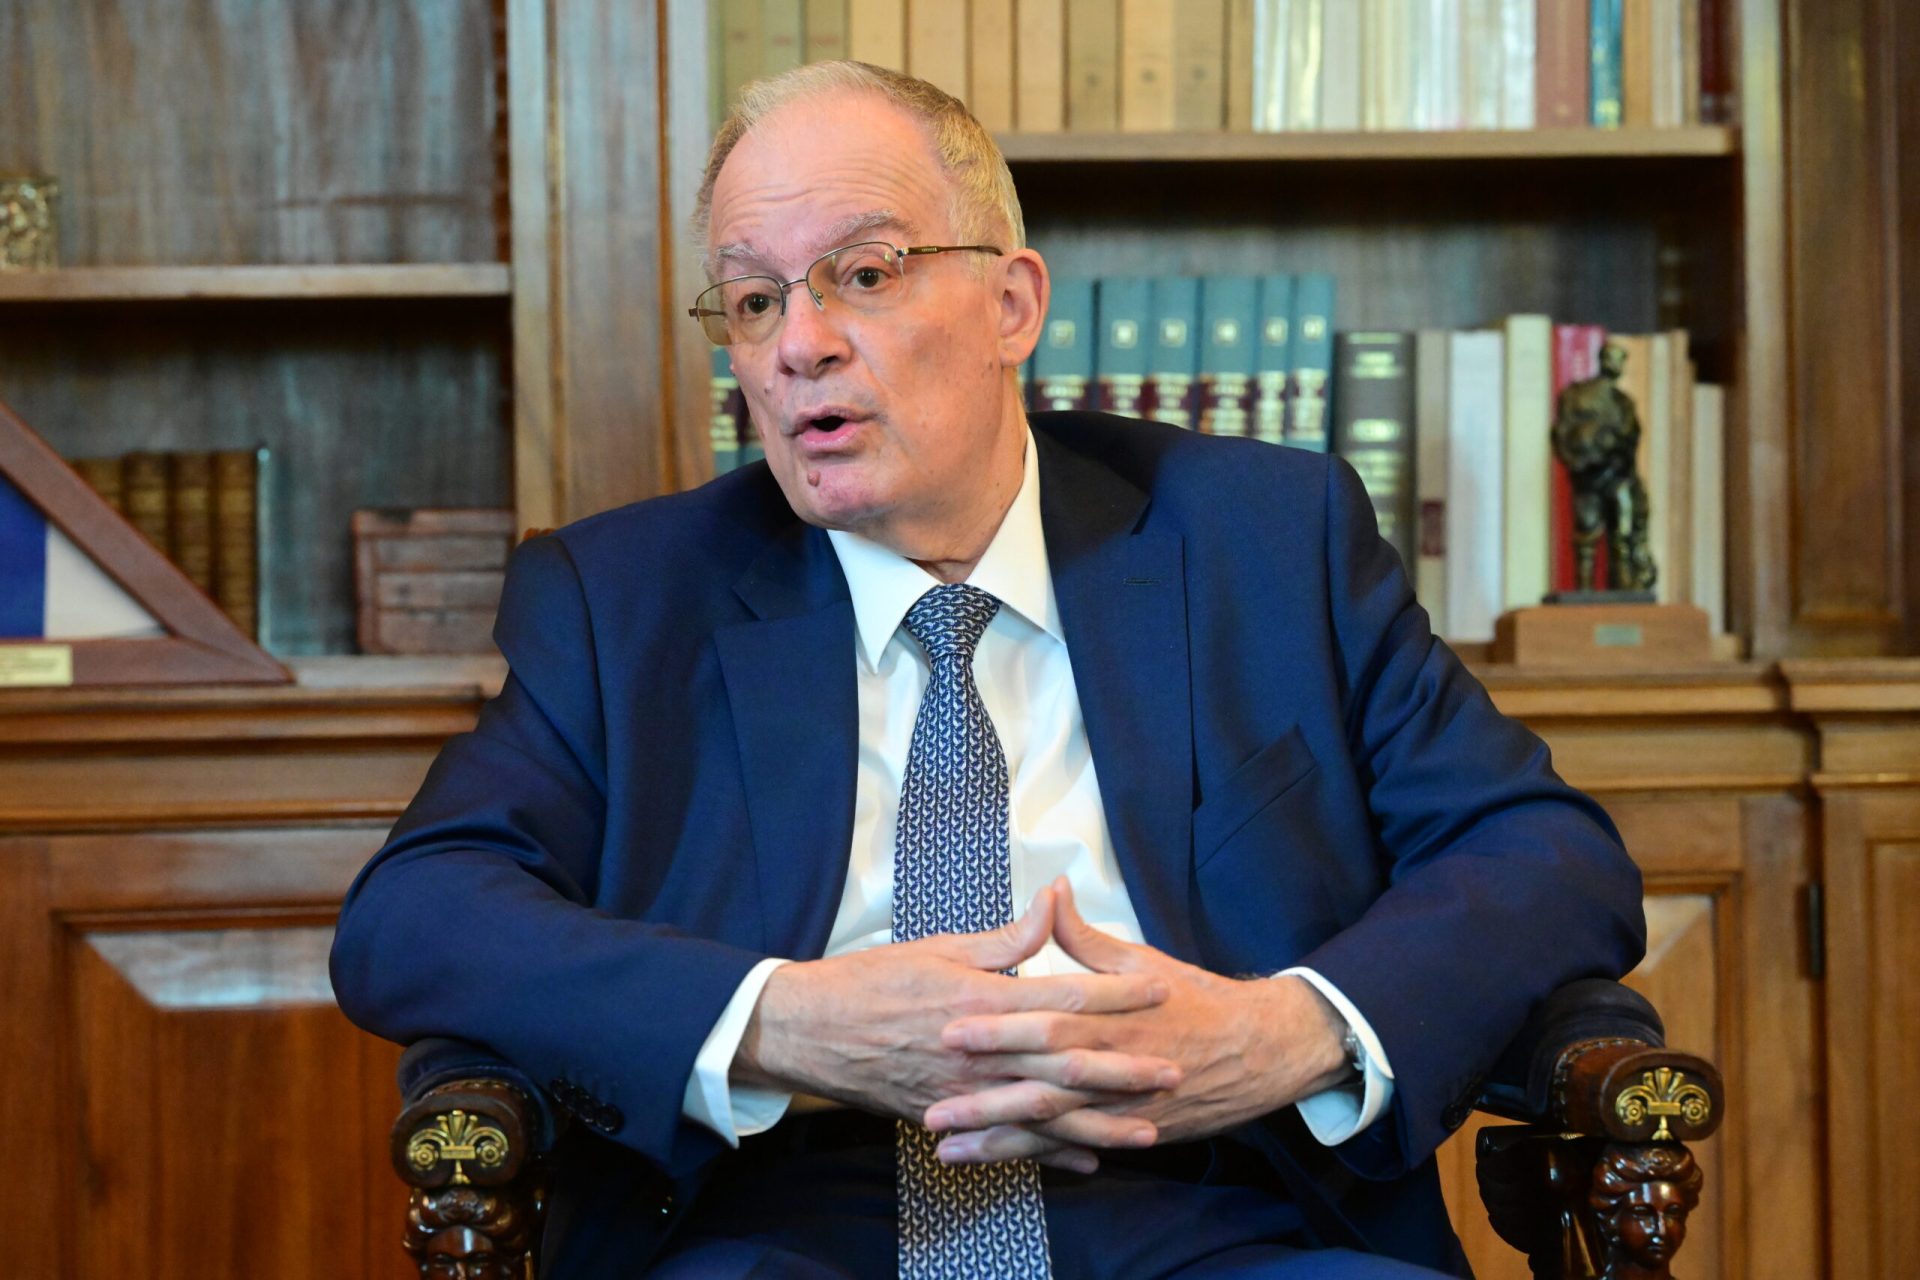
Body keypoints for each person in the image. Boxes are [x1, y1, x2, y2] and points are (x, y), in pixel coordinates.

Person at [331, 60, 1645, 1279]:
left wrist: (1279, 1036)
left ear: (1012, 305)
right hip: (781, 1221)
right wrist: (784, 1022)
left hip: (1219, 1207)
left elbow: (1551, 858)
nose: (798, 345)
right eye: (755, 299)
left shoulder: (1263, 539)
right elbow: (416, 916)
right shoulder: (627, 598)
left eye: (863, 274)